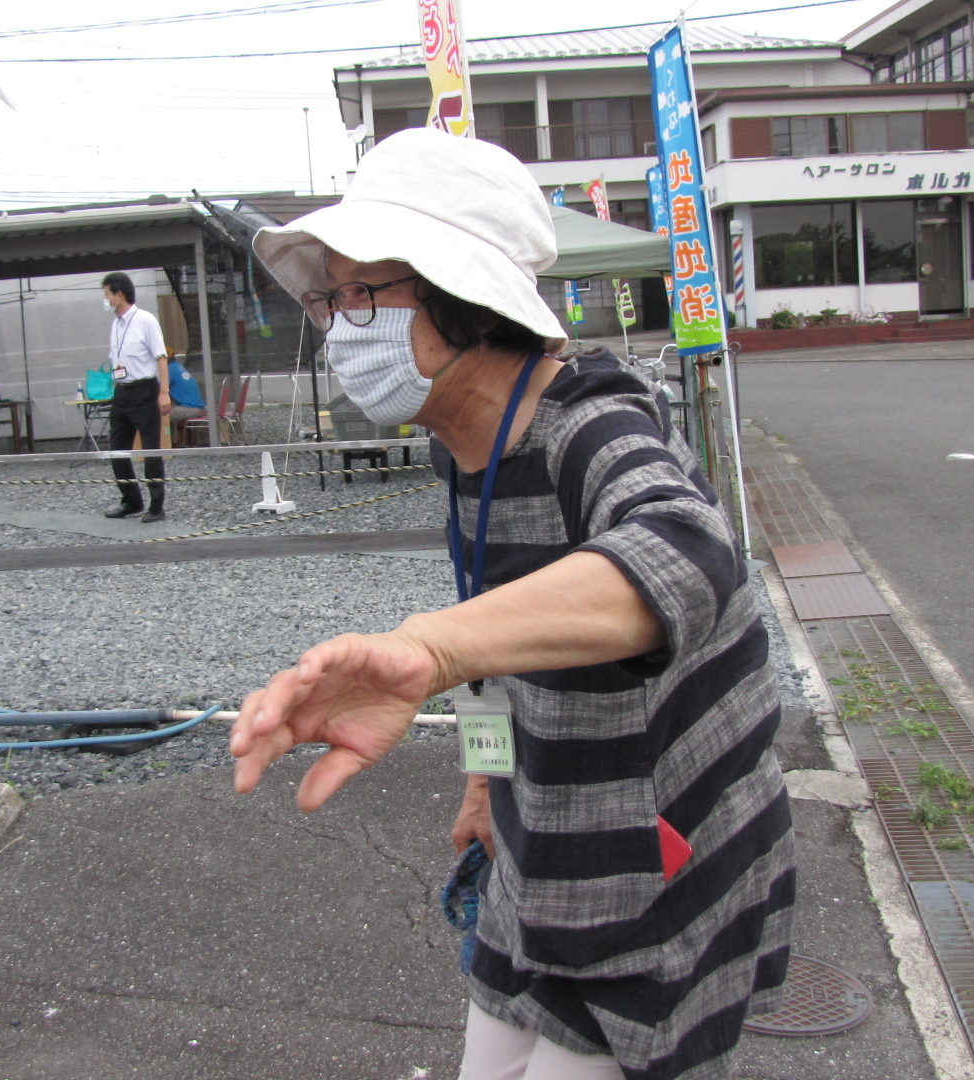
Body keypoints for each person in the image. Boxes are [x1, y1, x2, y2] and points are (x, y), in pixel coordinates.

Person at [232, 128, 794, 1080]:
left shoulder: (593, 426)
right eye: (327, 299)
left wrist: (423, 651)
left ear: (463, 295)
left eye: (359, 293)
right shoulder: (467, 450)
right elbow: (499, 653)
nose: (337, 326)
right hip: (541, 845)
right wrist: (485, 783)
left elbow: (688, 552)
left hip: (660, 869)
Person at [99, 272, 170, 521]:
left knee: (150, 449)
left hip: (144, 390)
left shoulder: (145, 320)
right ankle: (131, 500)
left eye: (107, 294)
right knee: (117, 449)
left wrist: (164, 393)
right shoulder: (116, 324)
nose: (105, 299)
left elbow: (161, 357)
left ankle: (156, 506)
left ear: (119, 295)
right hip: (122, 391)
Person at [166, 354, 206, 424]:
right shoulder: (177, 366)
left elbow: (158, 390)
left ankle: (166, 435)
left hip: (189, 408)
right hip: (197, 408)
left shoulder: (169, 369)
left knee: (160, 414)